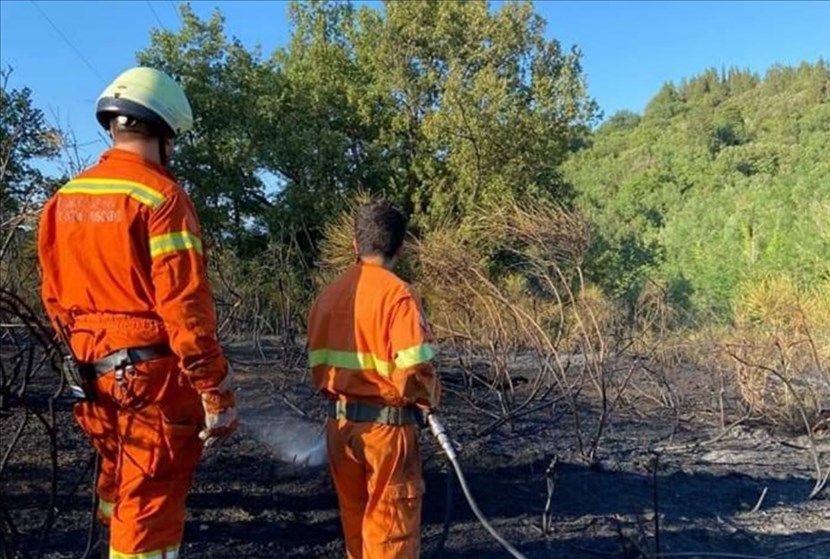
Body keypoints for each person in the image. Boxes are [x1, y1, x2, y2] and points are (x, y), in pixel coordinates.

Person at [37, 66, 238, 559]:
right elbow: (185, 305)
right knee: (148, 505)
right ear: (165, 133)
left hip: (91, 373)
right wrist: (214, 388)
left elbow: (54, 297)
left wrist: (88, 353)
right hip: (152, 382)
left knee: (119, 483)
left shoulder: (63, 200)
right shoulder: (162, 199)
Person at [307, 199, 442, 558]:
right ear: (401, 247)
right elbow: (412, 371)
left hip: (339, 428)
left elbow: (318, 365)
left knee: (357, 533)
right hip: (386, 433)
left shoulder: (327, 296)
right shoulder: (398, 295)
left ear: (355, 245)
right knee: (390, 539)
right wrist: (429, 398)